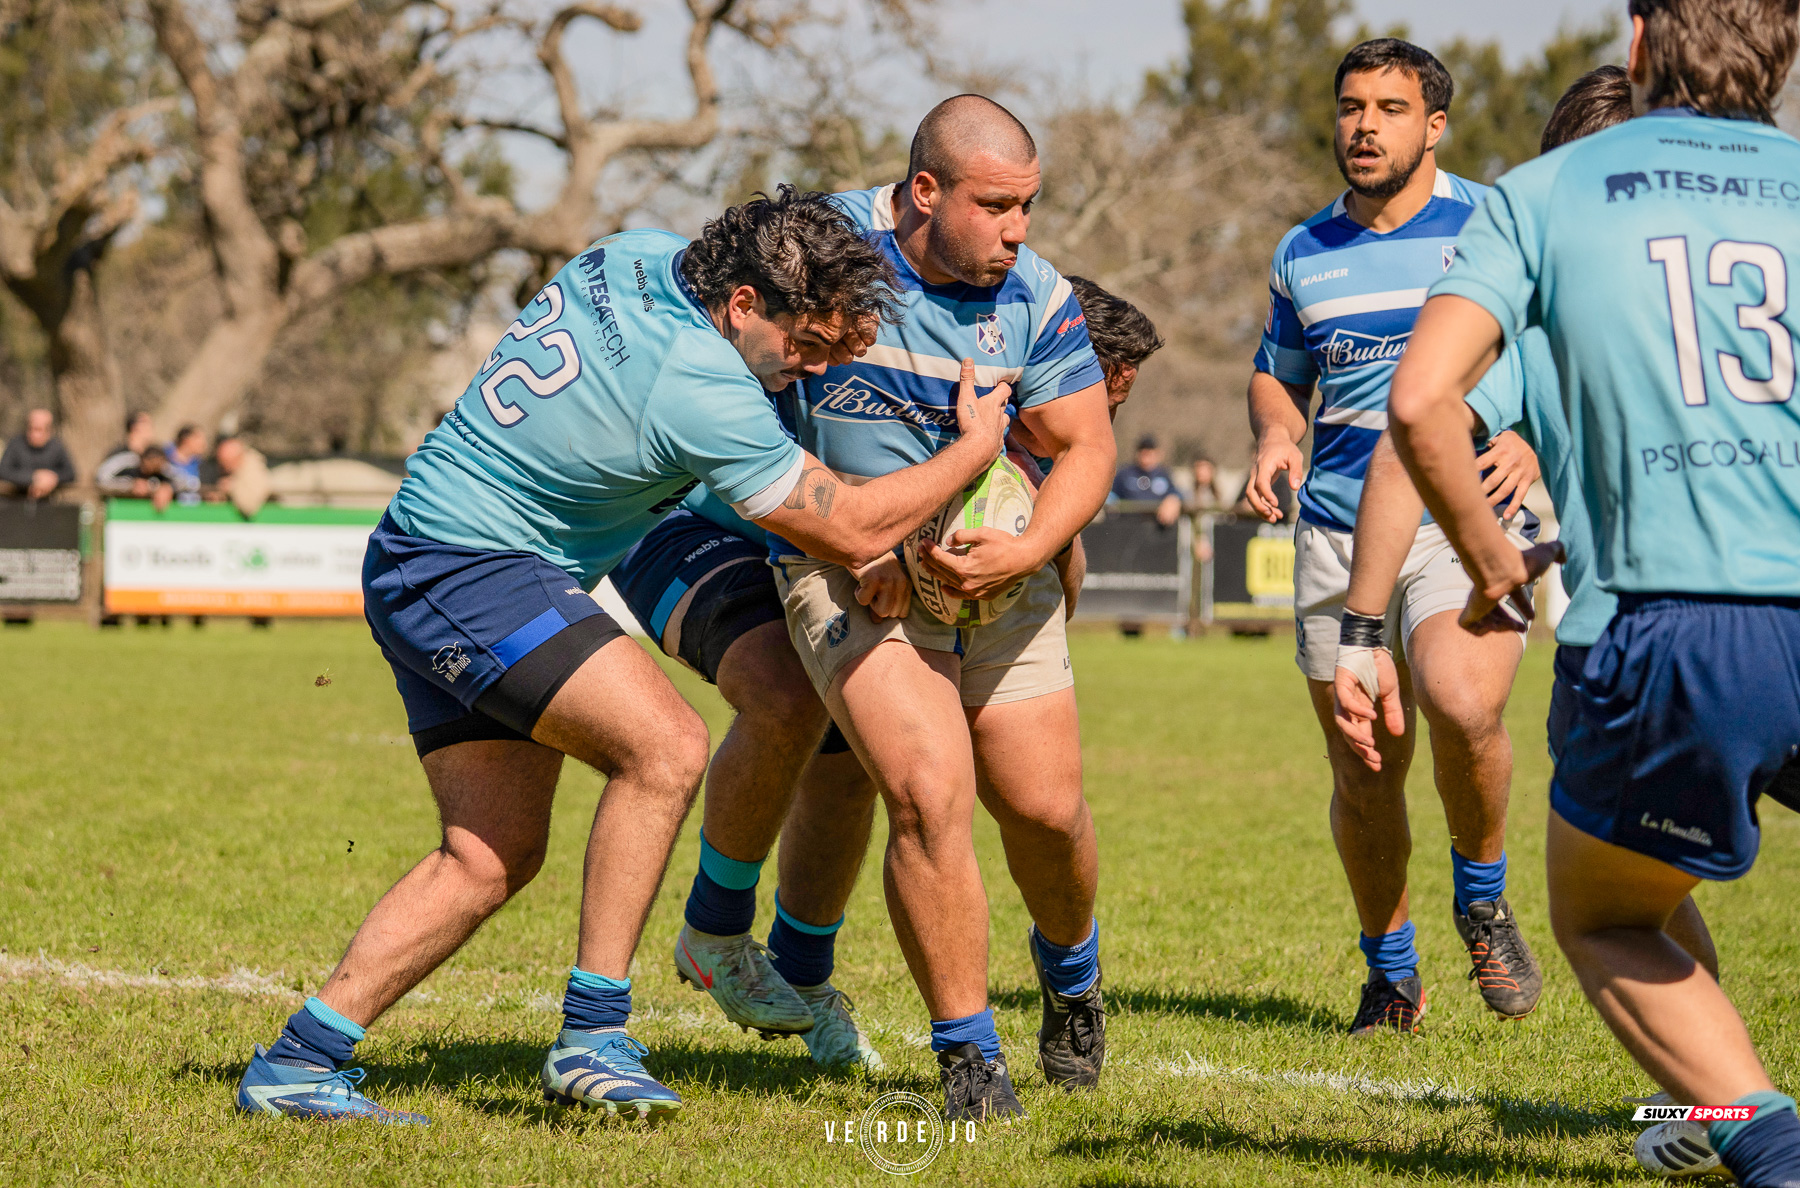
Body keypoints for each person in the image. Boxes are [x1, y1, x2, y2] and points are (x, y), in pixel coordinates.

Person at [232, 186, 1012, 1125]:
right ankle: (593, 1036)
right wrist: (973, 453)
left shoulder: (635, 251)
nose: (797, 371)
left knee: (490, 857)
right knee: (667, 748)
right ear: (741, 306)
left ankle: (299, 1062)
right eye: (797, 347)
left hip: (420, 551)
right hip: (473, 569)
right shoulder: (700, 383)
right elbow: (846, 528)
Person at [1384, 2, 1800, 1184]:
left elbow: (1419, 402)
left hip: (1680, 625)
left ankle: (1766, 1147)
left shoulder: (1548, 190)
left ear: (1639, 39)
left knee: (1611, 915)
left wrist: (1495, 559)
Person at [612, 270, 1162, 1083]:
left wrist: (1040, 552)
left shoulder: (1020, 432)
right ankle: (717, 929)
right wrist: (869, 548)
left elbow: (1040, 511)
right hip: (693, 516)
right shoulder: (905, 374)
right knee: (796, 697)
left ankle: (802, 972)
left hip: (826, 537)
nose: (1102, 415)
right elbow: (804, 481)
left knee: (875, 763)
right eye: (1099, 395)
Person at [769, 94, 1119, 1121]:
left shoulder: (1036, 294)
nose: (1021, 231)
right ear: (925, 192)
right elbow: (735, 410)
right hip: (843, 567)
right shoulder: (817, 252)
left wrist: (1029, 550)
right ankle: (970, 1058)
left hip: (1000, 581)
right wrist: (853, 536)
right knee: (927, 791)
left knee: (1046, 812)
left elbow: (1085, 444)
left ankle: (1072, 979)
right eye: (999, 207)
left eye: (1029, 207)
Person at [1244, 38, 1547, 1037]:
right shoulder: (1304, 250)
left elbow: (1562, 351)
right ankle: (1391, 971)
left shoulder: (1494, 228)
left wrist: (1535, 444)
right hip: (1334, 527)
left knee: (1462, 706)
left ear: (1435, 126)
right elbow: (1279, 374)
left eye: (1388, 107)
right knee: (1366, 770)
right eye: (1349, 106)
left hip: (1467, 523)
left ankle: (1484, 896)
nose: (1364, 124)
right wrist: (1276, 436)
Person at [0, 409, 77, 499]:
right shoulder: (16, 444)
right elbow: (3, 471)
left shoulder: (56, 446)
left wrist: (51, 479)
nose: (34, 434)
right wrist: (34, 477)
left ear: (49, 431)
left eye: (38, 430)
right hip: (17, 500)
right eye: (31, 428)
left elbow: (70, 473)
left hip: (49, 501)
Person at [1111, 435, 1181, 527]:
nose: (1146, 456)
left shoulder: (1164, 474)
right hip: (1128, 527)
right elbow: (1111, 494)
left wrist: (1173, 499)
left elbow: (1176, 493)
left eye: (1150, 452)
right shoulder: (1125, 474)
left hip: (1157, 528)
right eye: (1143, 451)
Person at [203, 435, 271, 518]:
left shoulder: (254, 471)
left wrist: (231, 488)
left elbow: (249, 506)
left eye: (225, 463)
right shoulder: (229, 471)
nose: (223, 469)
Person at [96, 412, 159, 497]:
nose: (151, 429)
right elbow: (101, 479)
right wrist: (131, 485)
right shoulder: (119, 455)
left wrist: (164, 488)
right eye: (147, 423)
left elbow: (171, 479)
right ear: (134, 427)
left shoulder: (155, 456)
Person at [166, 425, 206, 505]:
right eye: (198, 438)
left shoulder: (201, 465)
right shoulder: (164, 458)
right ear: (186, 439)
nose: (203, 443)